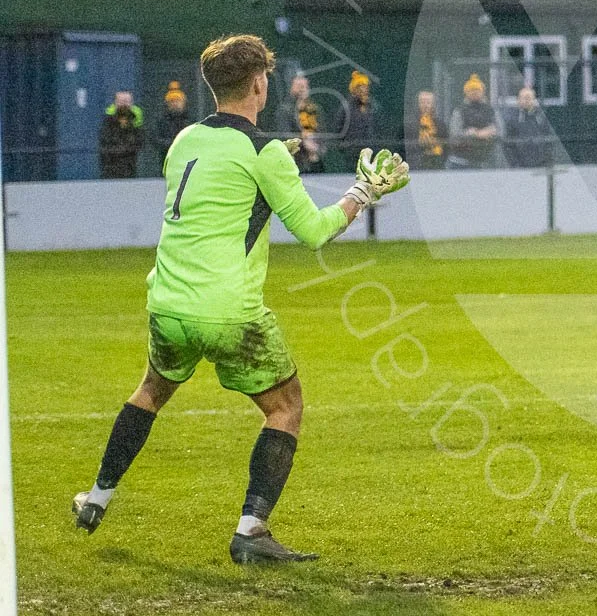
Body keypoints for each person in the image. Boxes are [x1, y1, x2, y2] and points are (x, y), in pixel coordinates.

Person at [71, 34, 409, 562]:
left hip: (168, 302)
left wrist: (279, 158)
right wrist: (362, 193)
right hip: (227, 310)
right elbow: (315, 230)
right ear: (258, 83)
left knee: (151, 391)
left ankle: (95, 499)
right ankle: (251, 532)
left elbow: (223, 182)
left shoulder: (185, 140)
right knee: (285, 405)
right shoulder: (265, 153)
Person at [447, 74, 499, 169]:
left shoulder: (490, 110)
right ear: (466, 92)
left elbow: (501, 131)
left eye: (477, 90)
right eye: (471, 90)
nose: (474, 92)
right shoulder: (459, 110)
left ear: (483, 92)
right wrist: (475, 134)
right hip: (462, 161)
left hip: (486, 161)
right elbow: (454, 134)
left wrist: (491, 132)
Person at [275, 74, 324, 174]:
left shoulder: (315, 109)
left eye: (305, 87)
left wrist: (317, 150)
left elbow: (323, 133)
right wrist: (303, 142)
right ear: (291, 88)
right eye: (299, 87)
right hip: (296, 164)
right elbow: (285, 136)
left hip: (316, 163)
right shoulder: (284, 111)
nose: (303, 90)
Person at [98, 91, 144, 179]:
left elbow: (140, 140)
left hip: (131, 164)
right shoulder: (108, 120)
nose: (124, 104)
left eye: (127, 101)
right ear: (115, 102)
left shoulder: (136, 119)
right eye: (121, 101)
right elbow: (104, 140)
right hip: (110, 164)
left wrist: (128, 149)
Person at [503, 86, 552, 168]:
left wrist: (547, 162)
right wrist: (515, 164)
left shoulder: (541, 118)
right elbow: (507, 145)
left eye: (530, 98)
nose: (527, 100)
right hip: (520, 167)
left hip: (541, 166)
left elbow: (549, 141)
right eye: (524, 98)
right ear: (518, 100)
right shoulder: (512, 119)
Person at [341, 71, 380, 167]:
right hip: (352, 155)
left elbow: (378, 127)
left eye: (365, 87)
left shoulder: (373, 107)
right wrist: (346, 147)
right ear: (354, 90)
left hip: (371, 153)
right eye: (360, 87)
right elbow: (339, 129)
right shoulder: (346, 108)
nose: (363, 90)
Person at [152, 82, 194, 168]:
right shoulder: (161, 121)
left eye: (178, 101)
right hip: (166, 158)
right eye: (172, 101)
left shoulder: (190, 120)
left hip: (186, 158)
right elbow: (155, 138)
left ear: (184, 103)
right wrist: (172, 144)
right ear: (167, 104)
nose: (175, 103)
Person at [407, 89, 448, 170]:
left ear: (433, 104)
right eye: (422, 102)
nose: (425, 105)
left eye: (428, 102)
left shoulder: (440, 124)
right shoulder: (409, 124)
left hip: (437, 164)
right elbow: (405, 145)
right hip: (415, 165)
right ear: (417, 104)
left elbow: (447, 145)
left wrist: (436, 143)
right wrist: (419, 144)